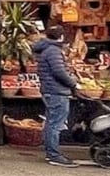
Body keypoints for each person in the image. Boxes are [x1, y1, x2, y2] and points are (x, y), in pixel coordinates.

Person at [33, 25, 80, 166]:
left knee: (51, 123)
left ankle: (51, 153)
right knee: (55, 124)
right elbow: (59, 72)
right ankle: (53, 155)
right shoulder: (53, 50)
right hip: (56, 91)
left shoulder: (45, 49)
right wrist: (73, 83)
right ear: (61, 36)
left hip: (50, 90)